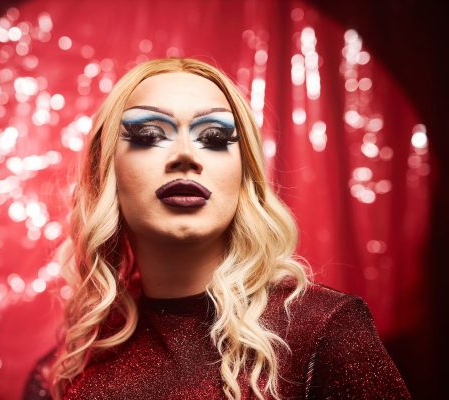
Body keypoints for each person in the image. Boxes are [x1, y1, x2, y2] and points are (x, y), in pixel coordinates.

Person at [22, 57, 410, 400]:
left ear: (245, 176)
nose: (185, 156)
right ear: (105, 171)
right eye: (149, 135)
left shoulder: (322, 329)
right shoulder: (64, 371)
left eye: (214, 138)